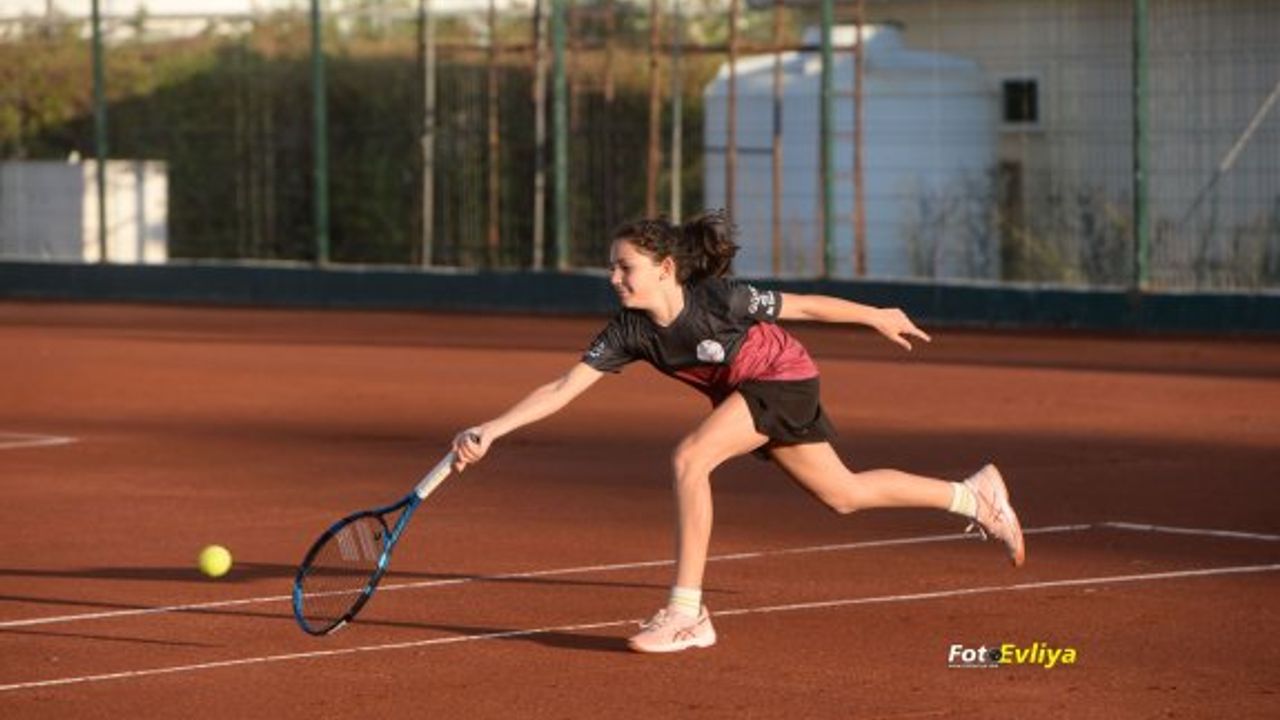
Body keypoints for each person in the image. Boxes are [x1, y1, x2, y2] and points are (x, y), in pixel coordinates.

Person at [451, 210, 1025, 654]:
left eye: (625, 267)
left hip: (783, 378)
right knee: (843, 494)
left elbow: (805, 308)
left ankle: (687, 613)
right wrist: (491, 429)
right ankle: (974, 496)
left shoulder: (720, 299)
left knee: (690, 459)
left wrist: (876, 314)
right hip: (748, 395)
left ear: (665, 268)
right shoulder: (628, 331)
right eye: (612, 267)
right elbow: (562, 387)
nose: (614, 277)